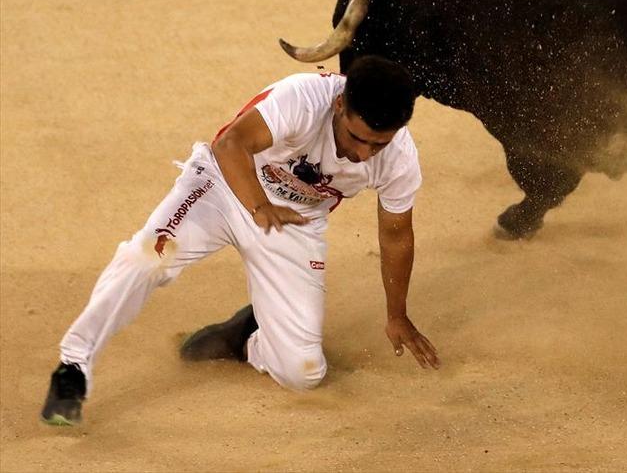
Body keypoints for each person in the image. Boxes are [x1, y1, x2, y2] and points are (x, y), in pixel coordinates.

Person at [41, 55, 440, 426]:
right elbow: (230, 145)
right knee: (149, 257)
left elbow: (396, 236)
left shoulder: (399, 158)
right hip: (222, 187)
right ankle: (72, 366)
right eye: (358, 138)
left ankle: (246, 337)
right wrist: (257, 205)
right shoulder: (302, 97)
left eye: (379, 144)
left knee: (303, 374)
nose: (364, 154)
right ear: (340, 106)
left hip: (293, 222)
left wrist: (396, 315)